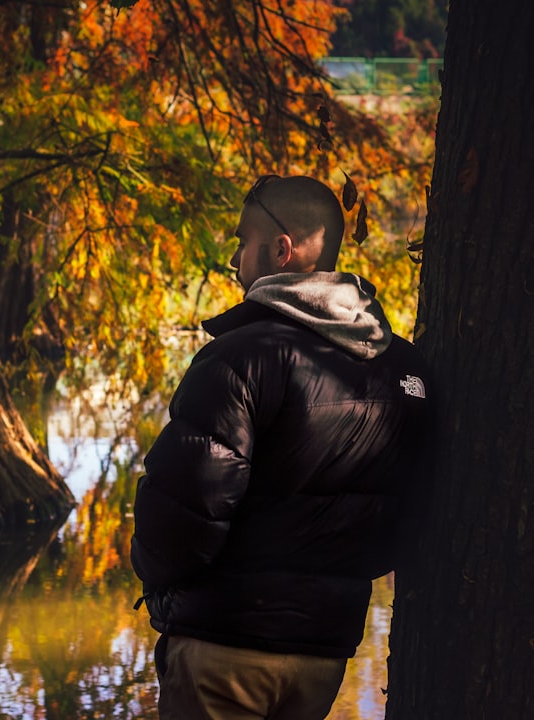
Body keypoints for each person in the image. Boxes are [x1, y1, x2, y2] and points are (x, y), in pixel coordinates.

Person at [130, 174, 431, 719]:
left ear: (281, 249)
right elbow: (404, 515)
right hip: (324, 653)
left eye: (242, 243)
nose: (235, 261)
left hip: (225, 643)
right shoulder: (404, 370)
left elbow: (182, 511)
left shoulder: (241, 356)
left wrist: (159, 584)